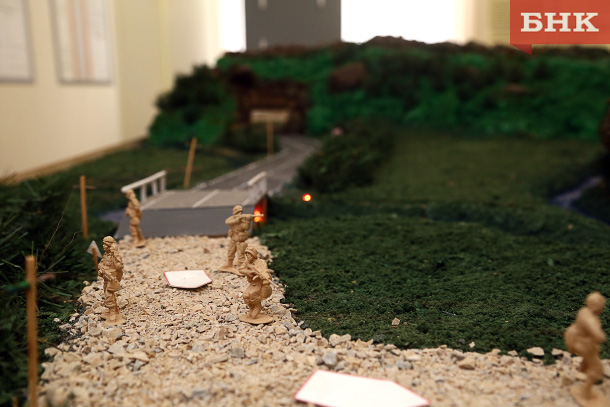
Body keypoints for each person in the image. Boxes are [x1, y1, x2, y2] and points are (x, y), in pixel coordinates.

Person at [564, 292, 609, 406]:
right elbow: (598, 336)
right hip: (581, 343)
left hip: (575, 338)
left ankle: (584, 367)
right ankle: (585, 393)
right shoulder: (590, 319)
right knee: (597, 369)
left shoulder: (584, 310)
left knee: (593, 353)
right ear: (597, 305)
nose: (603, 307)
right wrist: (602, 336)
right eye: (602, 305)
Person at [238, 247, 274, 324]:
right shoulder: (247, 262)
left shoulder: (261, 262)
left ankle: (257, 306)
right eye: (246, 254)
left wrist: (263, 277)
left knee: (252, 294)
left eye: (249, 254)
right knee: (245, 296)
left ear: (253, 255)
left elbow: (265, 271)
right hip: (252, 283)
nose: (247, 256)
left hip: (259, 283)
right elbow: (241, 269)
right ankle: (252, 308)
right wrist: (249, 272)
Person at [219, 205, 256, 272]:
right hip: (233, 237)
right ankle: (229, 264)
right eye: (238, 212)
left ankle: (242, 267)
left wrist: (247, 221)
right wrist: (236, 220)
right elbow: (227, 222)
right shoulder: (232, 218)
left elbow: (246, 228)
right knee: (230, 252)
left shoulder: (243, 220)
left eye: (240, 212)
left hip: (239, 238)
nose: (239, 213)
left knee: (240, 253)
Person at [98, 236, 125, 324]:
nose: (103, 246)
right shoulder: (106, 255)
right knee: (106, 291)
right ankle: (115, 310)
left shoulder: (114, 256)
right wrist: (102, 269)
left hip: (111, 278)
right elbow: (101, 264)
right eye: (103, 244)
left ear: (110, 246)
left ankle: (112, 312)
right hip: (106, 277)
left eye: (105, 245)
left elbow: (119, 267)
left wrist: (116, 256)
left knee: (109, 294)